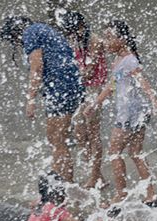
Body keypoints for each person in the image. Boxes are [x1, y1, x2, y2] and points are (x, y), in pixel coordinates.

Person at [85, 20, 157, 206]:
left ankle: (121, 194)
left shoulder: (129, 60)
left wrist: (156, 102)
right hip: (138, 111)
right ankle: (151, 195)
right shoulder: (119, 60)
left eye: (109, 38)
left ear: (121, 39)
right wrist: (96, 103)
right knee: (136, 152)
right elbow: (111, 85)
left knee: (114, 152)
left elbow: (142, 81)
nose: (106, 42)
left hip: (130, 113)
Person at [0, 16, 84, 183]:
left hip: (62, 88)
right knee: (55, 139)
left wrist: (30, 100)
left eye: (14, 40)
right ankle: (56, 187)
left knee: (57, 140)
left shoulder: (30, 33)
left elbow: (37, 67)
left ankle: (63, 190)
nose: (17, 44)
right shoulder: (41, 29)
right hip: (66, 87)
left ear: (16, 33)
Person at [57, 11, 108, 190]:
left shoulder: (96, 41)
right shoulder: (75, 41)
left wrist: (69, 79)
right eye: (68, 32)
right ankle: (98, 175)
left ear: (81, 27)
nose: (71, 35)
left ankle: (94, 177)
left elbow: (90, 69)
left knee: (93, 134)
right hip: (80, 90)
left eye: (73, 31)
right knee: (80, 134)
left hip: (93, 90)